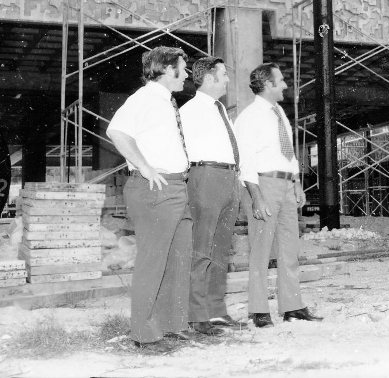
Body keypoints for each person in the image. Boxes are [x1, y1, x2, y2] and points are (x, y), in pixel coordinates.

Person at [107, 46, 192, 351]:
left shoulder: (166, 103)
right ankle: (144, 334)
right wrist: (144, 166)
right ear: (168, 70)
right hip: (156, 188)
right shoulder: (144, 98)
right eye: (183, 69)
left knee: (179, 259)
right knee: (153, 262)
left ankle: (172, 325)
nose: (186, 75)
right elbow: (117, 131)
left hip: (176, 186)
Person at [234, 62, 323, 327]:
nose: (285, 84)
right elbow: (244, 159)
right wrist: (256, 196)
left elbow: (289, 151)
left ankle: (292, 306)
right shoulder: (249, 116)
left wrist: (296, 181)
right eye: (281, 80)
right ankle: (259, 310)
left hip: (284, 185)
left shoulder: (279, 113)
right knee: (260, 250)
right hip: (263, 184)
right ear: (268, 84)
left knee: (290, 249)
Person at [180, 56, 246, 334]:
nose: (228, 80)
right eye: (223, 74)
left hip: (229, 177)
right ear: (209, 78)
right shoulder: (189, 110)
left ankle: (216, 310)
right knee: (201, 247)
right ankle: (196, 314)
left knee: (221, 249)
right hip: (205, 176)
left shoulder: (221, 109)